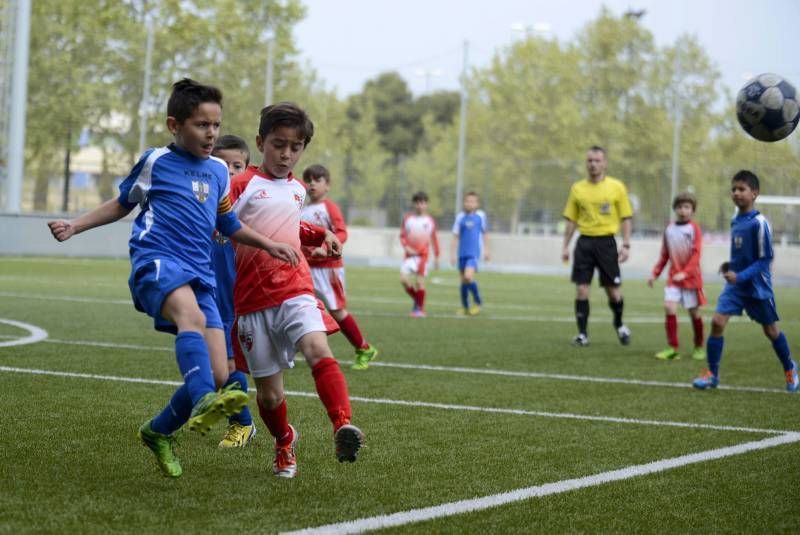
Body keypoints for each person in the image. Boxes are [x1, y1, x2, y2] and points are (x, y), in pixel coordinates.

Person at [47, 79, 299, 478]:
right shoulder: (155, 162)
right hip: (157, 260)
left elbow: (228, 222)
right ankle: (201, 401)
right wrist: (75, 226)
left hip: (201, 274)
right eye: (202, 125)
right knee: (191, 320)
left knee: (221, 373)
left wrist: (269, 244)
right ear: (174, 125)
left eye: (215, 125)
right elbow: (120, 204)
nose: (211, 133)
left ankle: (159, 430)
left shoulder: (218, 170)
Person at [230, 102, 365, 479]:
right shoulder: (240, 185)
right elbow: (223, 226)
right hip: (251, 301)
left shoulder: (296, 189)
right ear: (260, 142)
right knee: (270, 397)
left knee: (318, 348)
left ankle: (342, 426)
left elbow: (290, 224)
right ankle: (284, 439)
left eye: (295, 147)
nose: (286, 154)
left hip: (295, 288)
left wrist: (320, 235)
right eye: (278, 144)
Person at [693, 170, 798, 392]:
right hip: (736, 285)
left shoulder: (760, 223)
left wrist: (740, 275)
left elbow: (765, 259)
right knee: (717, 322)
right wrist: (730, 267)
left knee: (770, 331)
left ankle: (790, 368)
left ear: (755, 193)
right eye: (734, 189)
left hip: (757, 286)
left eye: (742, 189)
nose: (736, 193)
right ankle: (712, 374)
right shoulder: (735, 221)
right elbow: (741, 255)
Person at [300, 164, 379, 370]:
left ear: (328, 186)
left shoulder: (329, 207)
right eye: (308, 180)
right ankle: (293, 352)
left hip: (329, 269)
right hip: (306, 268)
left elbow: (342, 233)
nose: (312, 184)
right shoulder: (303, 209)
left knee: (337, 311)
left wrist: (326, 249)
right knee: (299, 308)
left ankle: (363, 348)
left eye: (317, 180)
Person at [210, 135, 257, 447]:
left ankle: (243, 423)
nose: (229, 171)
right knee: (210, 365)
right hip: (201, 293)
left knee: (226, 367)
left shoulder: (246, 207)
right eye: (222, 164)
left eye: (236, 166)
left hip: (231, 299)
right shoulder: (201, 199)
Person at [561, 145, 633, 346]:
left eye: (597, 160)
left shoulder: (616, 187)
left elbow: (626, 218)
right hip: (584, 243)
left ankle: (619, 324)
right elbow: (571, 220)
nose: (593, 164)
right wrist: (565, 246)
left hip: (607, 243)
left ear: (605, 163)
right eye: (589, 161)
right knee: (582, 289)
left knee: (613, 291)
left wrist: (626, 245)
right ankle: (582, 334)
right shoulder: (578, 188)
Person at [647, 192, 706, 361]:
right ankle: (672, 348)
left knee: (694, 314)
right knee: (669, 307)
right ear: (675, 209)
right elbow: (665, 255)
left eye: (687, 207)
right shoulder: (669, 229)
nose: (683, 210)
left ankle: (699, 346)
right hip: (674, 278)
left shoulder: (694, 228)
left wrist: (686, 272)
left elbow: (696, 254)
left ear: (692, 210)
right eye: (680, 207)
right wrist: (655, 274)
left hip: (691, 279)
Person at [400, 191, 440, 317]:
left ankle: (419, 310)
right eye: (417, 202)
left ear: (426, 205)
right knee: (404, 280)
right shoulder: (408, 219)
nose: (420, 205)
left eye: (422, 203)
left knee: (419, 282)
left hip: (423, 256)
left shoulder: (430, 221)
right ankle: (418, 300)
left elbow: (434, 239)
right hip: (409, 256)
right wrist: (407, 248)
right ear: (414, 204)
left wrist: (437, 256)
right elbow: (402, 236)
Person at [450, 191, 489, 316]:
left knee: (468, 277)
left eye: (473, 201)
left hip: (473, 253)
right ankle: (465, 307)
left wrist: (487, 250)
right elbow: (455, 236)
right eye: (467, 201)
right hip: (462, 253)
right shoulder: (460, 217)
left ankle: (478, 302)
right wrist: (452, 254)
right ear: (464, 203)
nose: (470, 203)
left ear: (477, 204)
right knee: (463, 282)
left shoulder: (481, 216)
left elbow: (485, 234)